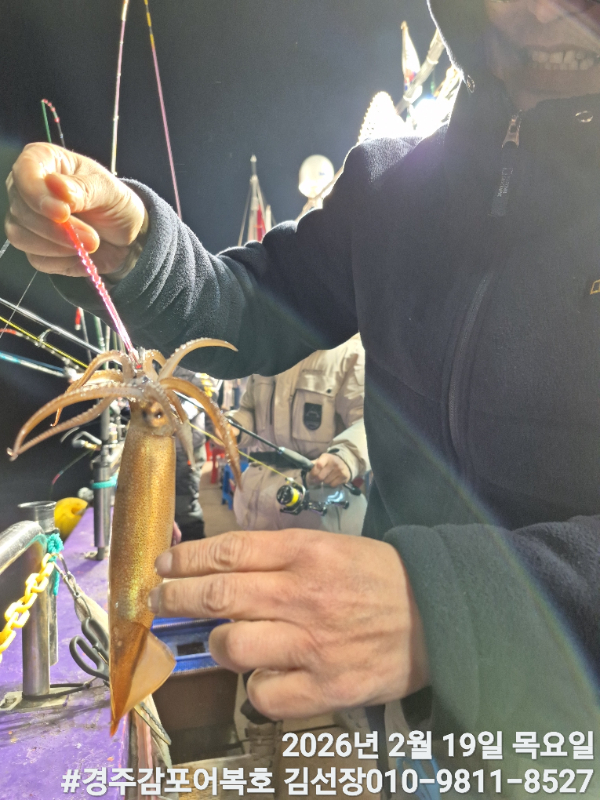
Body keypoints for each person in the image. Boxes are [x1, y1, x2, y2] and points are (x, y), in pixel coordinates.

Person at [6, 0, 600, 785]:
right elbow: (253, 303)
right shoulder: (393, 186)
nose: (540, 9)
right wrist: (135, 246)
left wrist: (449, 607)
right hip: (418, 718)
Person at [232, 335, 370, 536]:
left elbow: (371, 423)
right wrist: (235, 427)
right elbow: (250, 410)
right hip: (256, 505)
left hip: (321, 511)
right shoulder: (266, 355)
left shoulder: (350, 354)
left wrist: (348, 456)